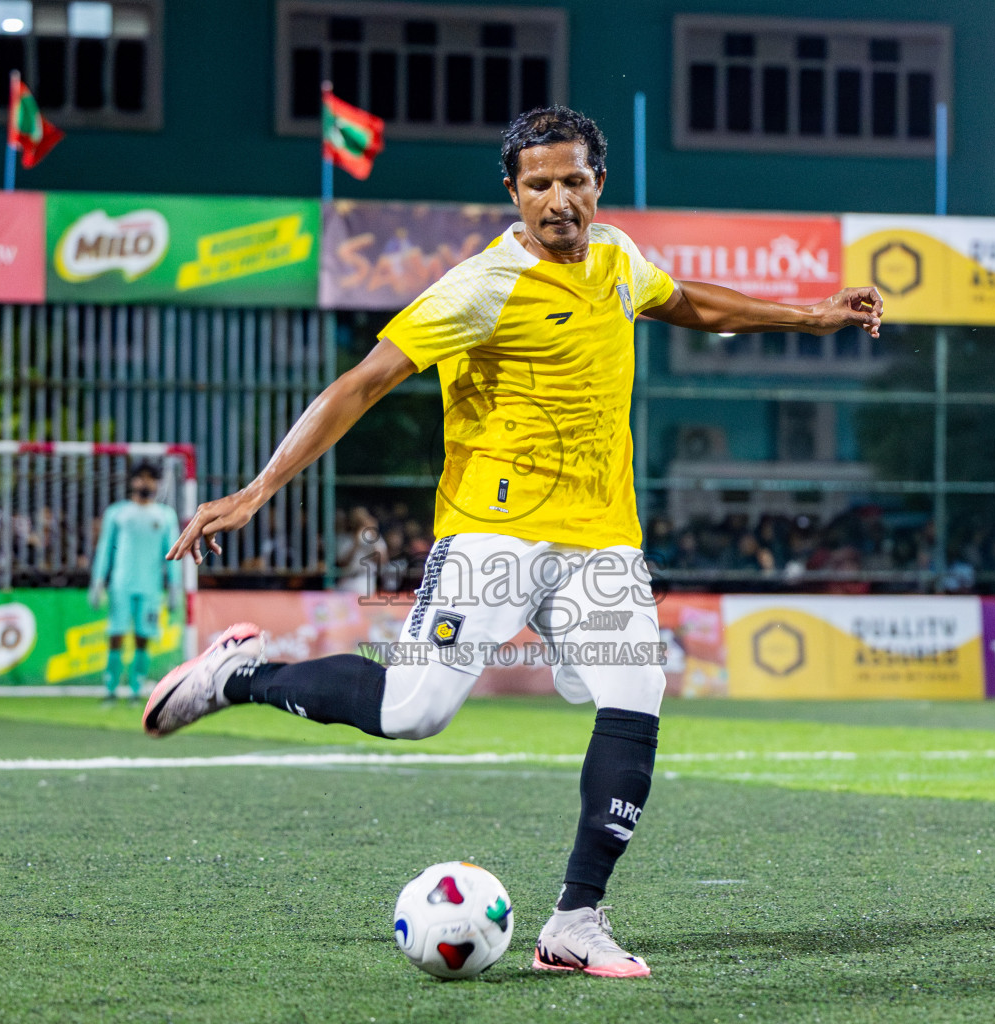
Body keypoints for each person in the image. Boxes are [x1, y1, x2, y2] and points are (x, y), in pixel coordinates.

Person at [141, 106, 881, 978]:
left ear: (598, 182)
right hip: (491, 533)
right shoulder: (482, 285)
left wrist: (809, 315)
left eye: (574, 180)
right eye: (540, 184)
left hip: (601, 538)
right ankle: (241, 675)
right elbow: (363, 382)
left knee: (636, 688)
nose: (559, 199)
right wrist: (261, 488)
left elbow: (683, 301)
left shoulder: (617, 258)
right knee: (415, 712)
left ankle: (576, 919)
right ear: (513, 191)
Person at [90, 462, 181, 700]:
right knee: (116, 635)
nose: (145, 483)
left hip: (151, 588)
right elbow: (104, 549)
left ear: (157, 483)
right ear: (132, 481)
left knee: (143, 637)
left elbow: (172, 553)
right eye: (140, 478)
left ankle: (136, 689)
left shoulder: (165, 516)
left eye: (150, 478)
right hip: (121, 585)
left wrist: (174, 587)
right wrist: (98, 581)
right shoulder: (117, 512)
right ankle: (110, 689)